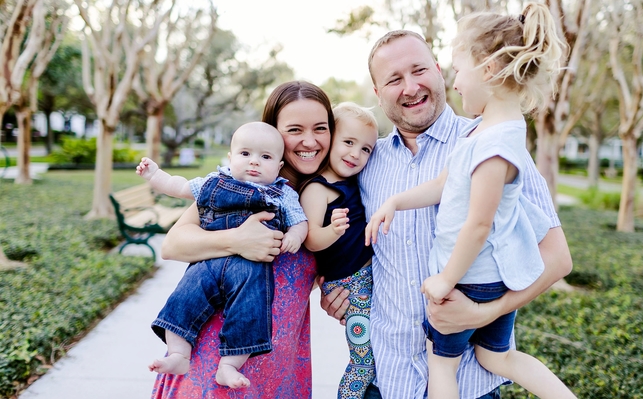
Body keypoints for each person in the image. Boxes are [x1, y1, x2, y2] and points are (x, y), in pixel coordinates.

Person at [320, 28, 573, 398]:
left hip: (470, 384)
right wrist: (336, 289)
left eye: (419, 70)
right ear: (377, 93)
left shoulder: (490, 143)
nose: (410, 87)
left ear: (439, 71)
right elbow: (343, 240)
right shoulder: (364, 161)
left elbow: (558, 259)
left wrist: (483, 314)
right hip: (385, 380)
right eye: (394, 79)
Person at [151, 81, 333, 398]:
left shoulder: (329, 196)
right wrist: (237, 240)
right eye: (294, 129)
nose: (309, 140)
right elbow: (173, 245)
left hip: (280, 367)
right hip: (211, 362)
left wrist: (337, 289)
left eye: (320, 128)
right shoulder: (243, 189)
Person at [136, 122, 308, 388]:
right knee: (185, 296)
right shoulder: (215, 182)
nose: (254, 162)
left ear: (279, 166)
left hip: (250, 269)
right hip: (208, 262)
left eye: (265, 157)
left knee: (250, 310)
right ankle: (179, 354)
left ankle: (228, 365)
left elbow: (299, 221)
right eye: (245, 154)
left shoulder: (282, 193)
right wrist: (155, 175)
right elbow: (179, 186)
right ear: (230, 158)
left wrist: (295, 235)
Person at [299, 102, 379, 399]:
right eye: (348, 142)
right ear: (330, 139)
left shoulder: (355, 182)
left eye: (366, 149)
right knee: (363, 359)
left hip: (369, 275)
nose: (355, 154)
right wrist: (332, 231)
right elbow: (310, 239)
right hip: (348, 283)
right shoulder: (317, 189)